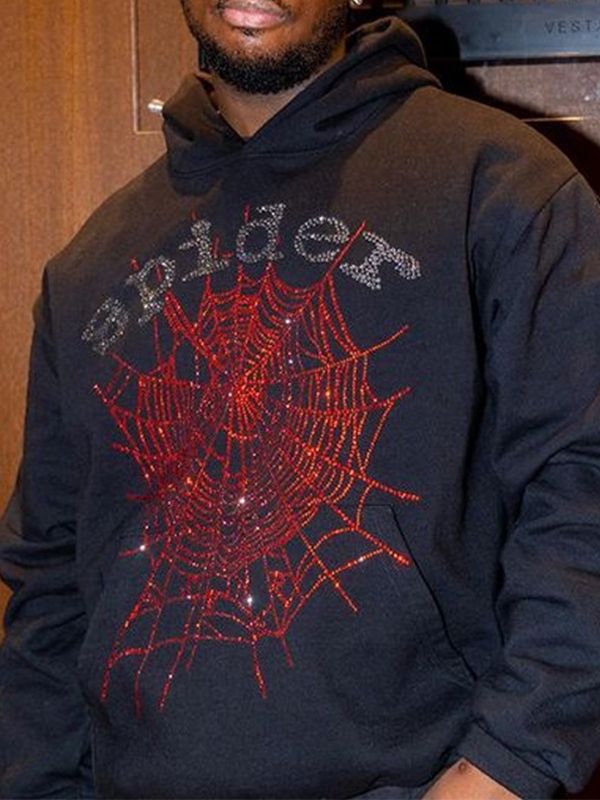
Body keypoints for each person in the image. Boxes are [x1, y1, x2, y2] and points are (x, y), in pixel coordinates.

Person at [1, 0, 600, 797]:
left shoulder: (500, 186)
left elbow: (584, 486)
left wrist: (507, 766)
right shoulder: (90, 262)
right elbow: (47, 581)